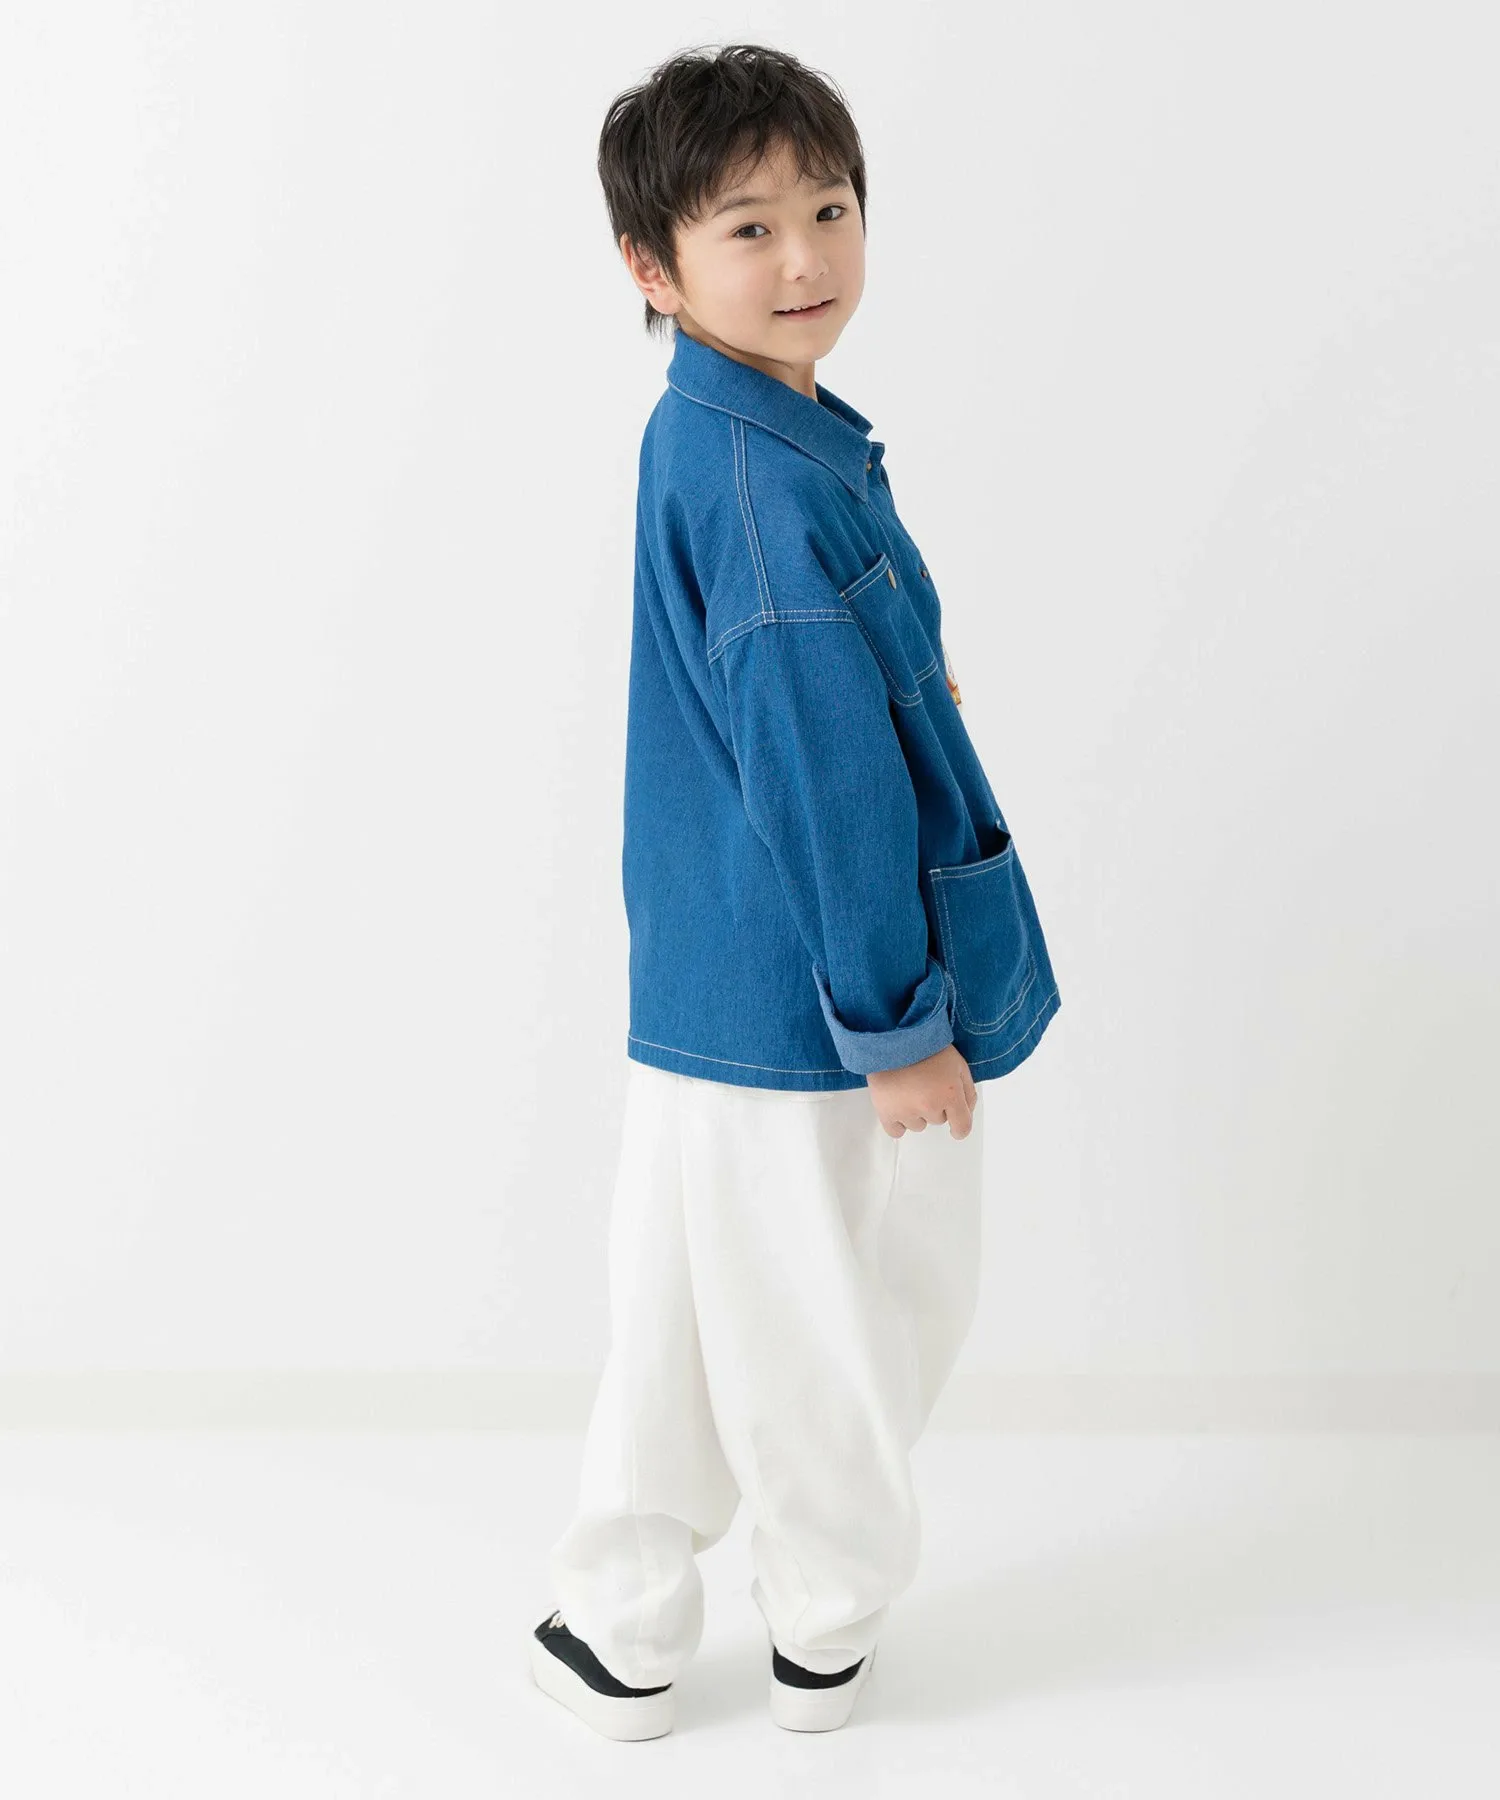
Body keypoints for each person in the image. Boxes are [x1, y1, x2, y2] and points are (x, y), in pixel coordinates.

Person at [527, 43, 1061, 1740]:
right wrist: (897, 1026)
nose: (805, 257)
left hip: (708, 976)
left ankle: (623, 1628)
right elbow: (824, 783)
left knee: (684, 1310)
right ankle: (823, 1627)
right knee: (845, 1319)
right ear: (652, 266)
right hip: (817, 1002)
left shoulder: (716, 426)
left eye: (828, 209)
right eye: (746, 228)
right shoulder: (767, 489)